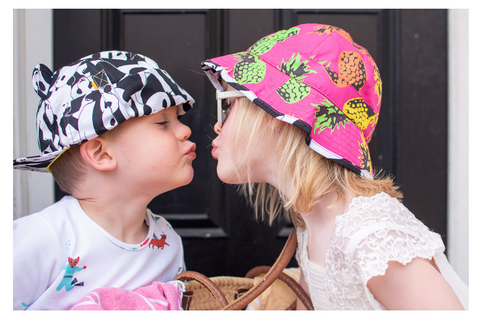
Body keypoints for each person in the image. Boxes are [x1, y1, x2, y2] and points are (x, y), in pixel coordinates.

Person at [201, 23, 468, 310]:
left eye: (227, 106)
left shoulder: (370, 236)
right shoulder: (313, 218)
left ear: (275, 113)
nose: (218, 124)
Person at [13, 51, 196, 310]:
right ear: (101, 153)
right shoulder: (41, 239)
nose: (185, 129)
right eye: (162, 122)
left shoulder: (167, 242)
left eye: (178, 118)